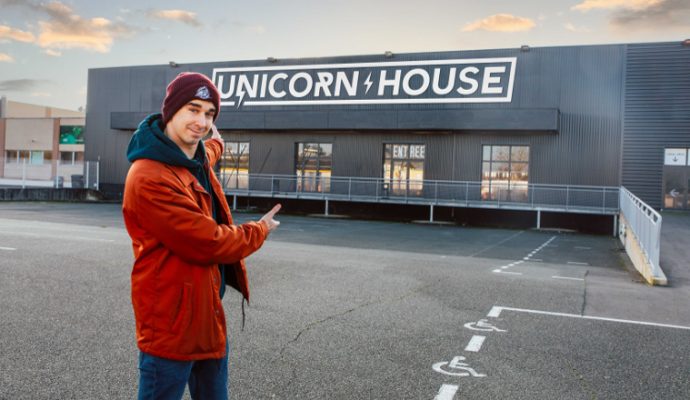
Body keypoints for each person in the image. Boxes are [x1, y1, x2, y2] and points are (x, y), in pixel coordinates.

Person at [122, 72, 280, 400]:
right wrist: (259, 230)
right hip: (171, 325)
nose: (201, 121)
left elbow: (207, 152)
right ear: (171, 111)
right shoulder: (150, 176)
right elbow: (210, 241)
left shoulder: (192, 157)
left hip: (206, 315)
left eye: (209, 114)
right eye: (193, 109)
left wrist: (218, 142)